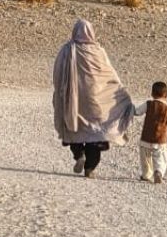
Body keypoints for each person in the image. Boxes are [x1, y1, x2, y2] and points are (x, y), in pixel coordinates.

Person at [52, 19, 135, 178]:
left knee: (74, 130)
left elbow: (57, 74)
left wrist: (61, 93)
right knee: (95, 133)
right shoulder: (98, 51)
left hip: (73, 102)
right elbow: (109, 75)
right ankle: (90, 168)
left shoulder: (66, 50)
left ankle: (79, 155)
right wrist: (121, 94)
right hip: (96, 102)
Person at [133, 81, 167, 184]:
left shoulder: (148, 104)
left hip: (146, 138)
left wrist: (128, 109)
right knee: (161, 157)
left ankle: (146, 175)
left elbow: (137, 112)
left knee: (146, 158)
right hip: (160, 139)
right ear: (166, 95)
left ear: (152, 93)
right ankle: (158, 172)